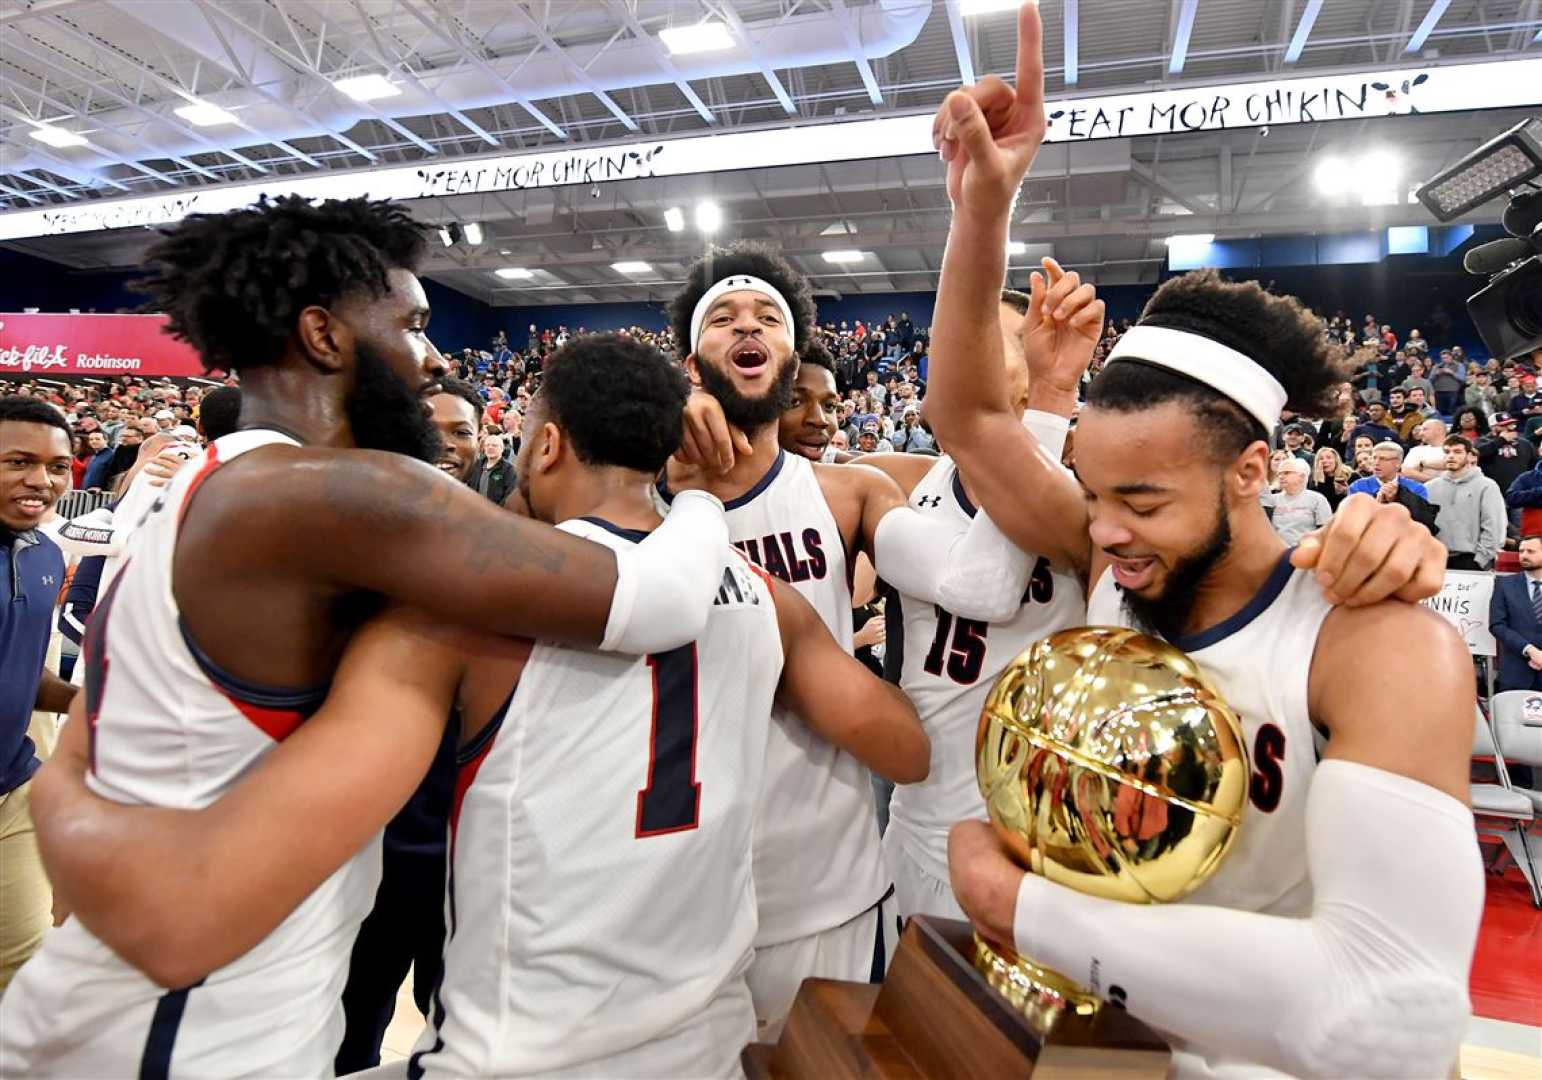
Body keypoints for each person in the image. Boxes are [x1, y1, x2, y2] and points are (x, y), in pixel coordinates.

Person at [28, 336, 929, 1079]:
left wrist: (61, 788)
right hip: (709, 1043)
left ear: (542, 446)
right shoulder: (766, 599)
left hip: (520, 1054)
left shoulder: (451, 624)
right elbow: (904, 750)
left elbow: (199, 911)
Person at [0, 196, 733, 1077]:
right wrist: (698, 494)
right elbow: (658, 598)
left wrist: (63, 801)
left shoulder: (219, 484)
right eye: (415, 326)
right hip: (185, 1033)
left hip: (145, 1004)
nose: (433, 358)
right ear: (324, 336)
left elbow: (84, 749)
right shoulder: (332, 493)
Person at [924, 14, 1476, 1076]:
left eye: (1141, 498)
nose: (1105, 528)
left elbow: (1386, 1021)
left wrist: (1020, 907)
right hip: (1100, 1050)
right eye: (1091, 493)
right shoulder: (1114, 565)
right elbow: (972, 421)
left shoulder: (1375, 644)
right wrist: (982, 209)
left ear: (1251, 473)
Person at [657, 244, 1029, 1031]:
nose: (746, 326)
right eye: (722, 319)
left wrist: (1052, 398)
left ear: (792, 363)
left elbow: (980, 582)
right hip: (671, 891)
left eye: (768, 318)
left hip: (825, 880)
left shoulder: (848, 490)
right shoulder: (632, 486)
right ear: (692, 364)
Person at [0, 397, 76, 993]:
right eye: (19, 462)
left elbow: (22, 675)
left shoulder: (46, 555)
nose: (41, 481)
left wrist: (87, 700)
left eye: (58, 466)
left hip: (12, 789)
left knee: (24, 975)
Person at [1426, 435, 1506, 570]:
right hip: (1434, 560)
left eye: (1457, 452)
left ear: (1469, 456)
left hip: (1470, 560)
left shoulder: (1487, 486)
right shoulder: (1429, 487)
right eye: (1447, 452)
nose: (1451, 456)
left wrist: (1480, 560)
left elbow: (1494, 526)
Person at [1489, 535, 1542, 694]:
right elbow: (1497, 625)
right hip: (1517, 674)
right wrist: (1530, 650)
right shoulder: (1505, 585)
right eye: (1521, 551)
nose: (1524, 555)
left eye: (1530, 551)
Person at [1269, 457, 1332, 545]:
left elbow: (1326, 531)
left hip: (1305, 552)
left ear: (1302, 476)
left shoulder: (1317, 499)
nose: (1281, 476)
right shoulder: (1272, 499)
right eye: (1279, 473)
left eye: (1286, 473)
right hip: (1277, 552)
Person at [469, 433, 517, 504]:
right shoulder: (476, 465)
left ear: (502, 449)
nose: (490, 447)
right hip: (475, 509)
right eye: (487, 445)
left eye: (494, 445)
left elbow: (509, 496)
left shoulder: (509, 470)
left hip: (495, 512)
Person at [1402, 417, 1448, 482]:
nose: (1420, 433)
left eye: (1425, 429)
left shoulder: (1455, 448)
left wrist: (1424, 464)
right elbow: (1406, 472)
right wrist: (1436, 482)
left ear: (1439, 430)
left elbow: (1455, 464)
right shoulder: (1416, 450)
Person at [1309, 447, 1350, 511]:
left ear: (1336, 460)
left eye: (1329, 457)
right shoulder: (1313, 481)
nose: (1324, 461)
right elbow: (1324, 506)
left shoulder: (1350, 476)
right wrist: (1321, 482)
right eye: (1321, 459)